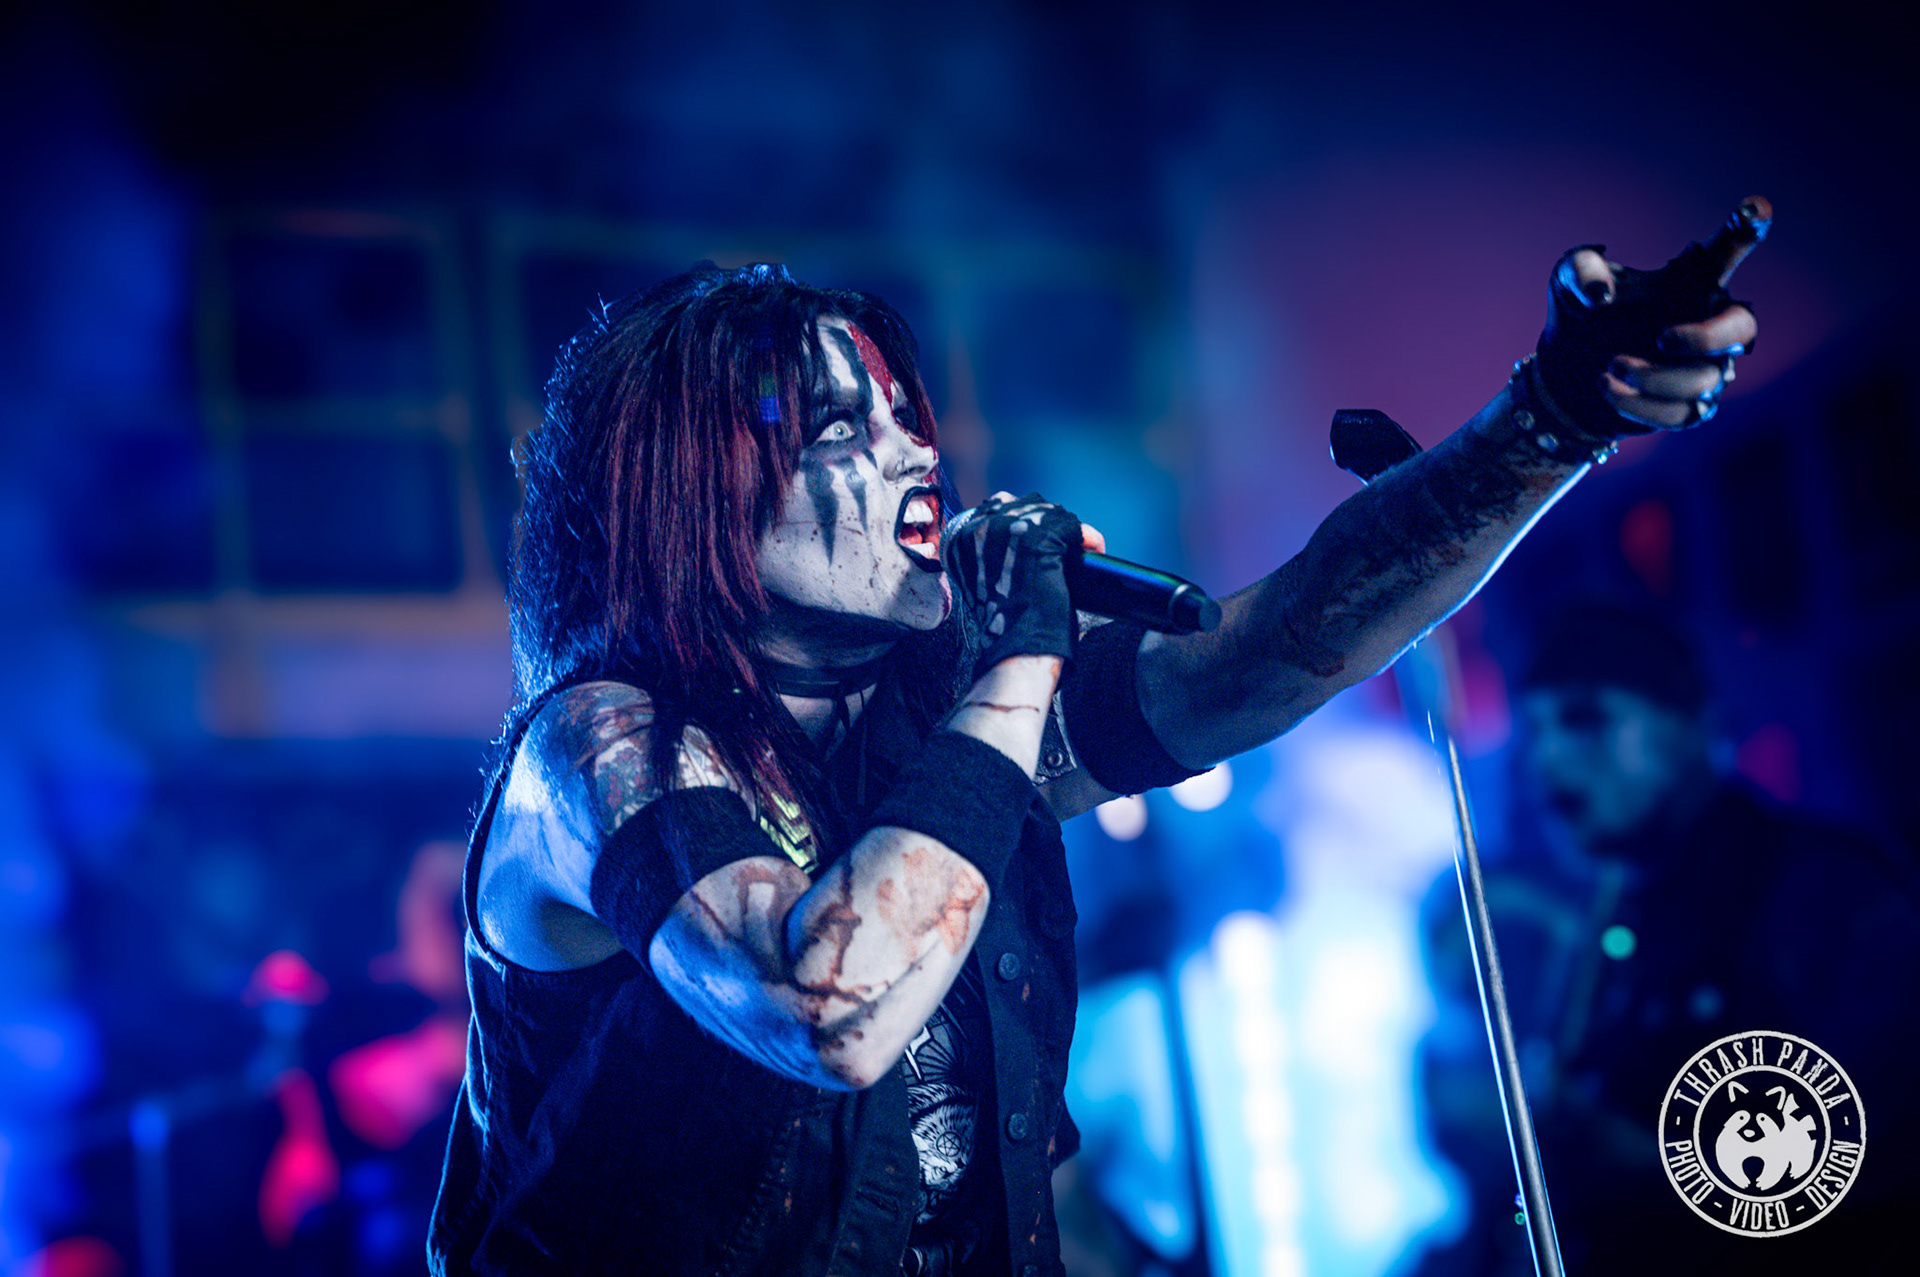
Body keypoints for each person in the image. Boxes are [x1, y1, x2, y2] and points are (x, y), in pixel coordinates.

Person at [429, 201, 1767, 1275]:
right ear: (692, 497)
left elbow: (1274, 644)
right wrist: (1021, 651)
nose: (915, 455)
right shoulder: (599, 747)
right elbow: (826, 1006)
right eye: (843, 427)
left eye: (907, 417)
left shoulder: (936, 716)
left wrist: (1549, 421)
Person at [1416, 606, 1920, 1275]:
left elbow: (1890, 1150)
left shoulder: (1822, 889)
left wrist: (1649, 1168)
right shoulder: (1612, 915)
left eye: (1586, 717)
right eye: (1534, 729)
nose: (1546, 758)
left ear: (1692, 723)